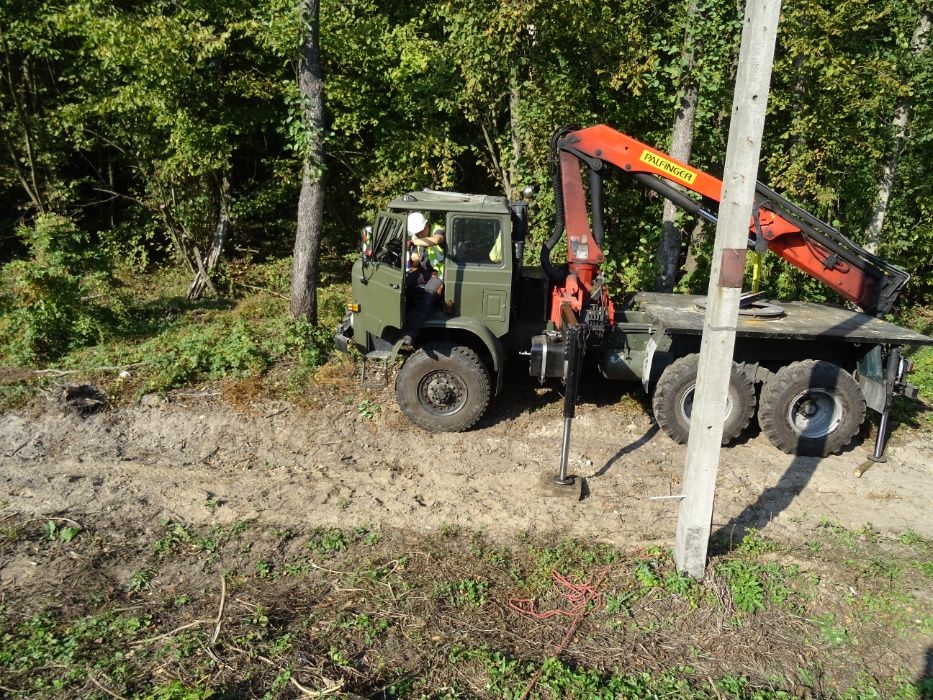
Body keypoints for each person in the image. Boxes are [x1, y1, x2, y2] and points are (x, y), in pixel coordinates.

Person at [407, 212, 445, 278]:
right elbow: (415, 260)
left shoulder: (437, 230)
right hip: (425, 271)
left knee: (428, 289)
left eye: (419, 232)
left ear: (426, 226)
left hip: (440, 273)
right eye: (416, 233)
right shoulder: (417, 239)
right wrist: (408, 260)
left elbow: (437, 240)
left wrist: (412, 242)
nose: (418, 235)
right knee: (406, 281)